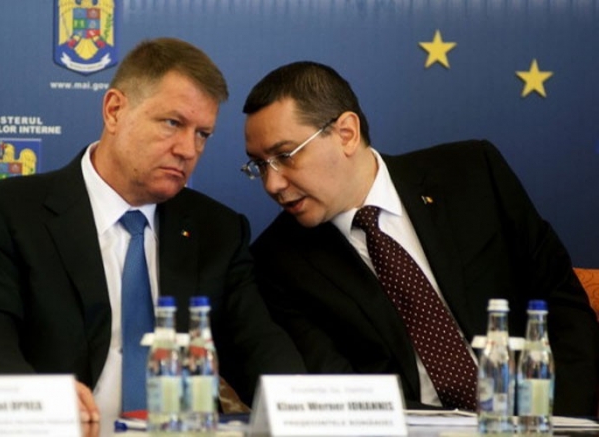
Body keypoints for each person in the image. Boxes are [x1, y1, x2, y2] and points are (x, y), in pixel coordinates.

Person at [0, 38, 305, 423]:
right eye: (173, 123)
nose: (188, 149)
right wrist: (35, 400)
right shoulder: (7, 214)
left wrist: (306, 408)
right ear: (115, 110)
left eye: (202, 134)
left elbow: (258, 346)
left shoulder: (217, 230)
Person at [241, 61, 599, 415]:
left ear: (346, 133)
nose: (272, 184)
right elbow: (340, 390)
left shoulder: (472, 173)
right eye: (259, 165)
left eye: (284, 156)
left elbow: (562, 302)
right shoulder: (278, 262)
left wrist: (559, 421)